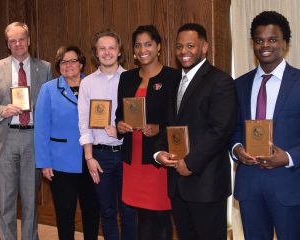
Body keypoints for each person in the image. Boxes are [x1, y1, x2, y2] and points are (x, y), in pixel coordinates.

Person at [155, 23, 237, 240]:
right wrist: (160, 152)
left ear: (204, 47)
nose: (184, 51)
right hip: (177, 184)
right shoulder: (174, 82)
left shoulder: (220, 81)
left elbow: (221, 130)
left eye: (191, 45)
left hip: (206, 184)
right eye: (179, 46)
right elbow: (168, 125)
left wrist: (190, 162)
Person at [231, 11, 300, 239]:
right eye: (259, 40)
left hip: (289, 186)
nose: (265, 45)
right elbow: (234, 129)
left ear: (285, 43)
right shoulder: (239, 84)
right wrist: (237, 149)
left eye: (272, 39)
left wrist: (288, 158)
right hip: (250, 185)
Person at [0, 22, 52, 240]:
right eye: (12, 41)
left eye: (21, 39)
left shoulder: (45, 67)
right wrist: (2, 110)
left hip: (33, 138)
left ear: (29, 40)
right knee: (6, 201)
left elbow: (51, 105)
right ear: (7, 44)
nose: (18, 44)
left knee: (31, 200)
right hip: (6, 138)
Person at [115, 25, 178, 240]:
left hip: (157, 159)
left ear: (158, 46)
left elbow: (179, 119)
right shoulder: (127, 78)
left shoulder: (173, 77)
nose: (143, 49)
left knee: (160, 216)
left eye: (148, 44)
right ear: (133, 50)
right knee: (141, 216)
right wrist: (120, 124)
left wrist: (159, 128)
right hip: (132, 159)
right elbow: (118, 114)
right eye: (138, 45)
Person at [34, 45, 100, 240]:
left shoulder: (93, 85)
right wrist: (44, 162)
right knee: (65, 212)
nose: (68, 65)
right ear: (58, 66)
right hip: (60, 162)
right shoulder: (48, 89)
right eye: (63, 62)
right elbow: (41, 128)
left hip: (92, 159)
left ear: (81, 63)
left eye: (73, 61)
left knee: (92, 209)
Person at [78, 30, 137, 240]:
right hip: (100, 156)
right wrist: (89, 157)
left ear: (119, 51)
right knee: (107, 212)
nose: (107, 52)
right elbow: (84, 123)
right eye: (102, 48)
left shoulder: (132, 79)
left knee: (129, 211)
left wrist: (121, 129)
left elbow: (138, 117)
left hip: (127, 153)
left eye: (112, 47)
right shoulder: (87, 83)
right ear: (96, 53)